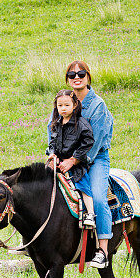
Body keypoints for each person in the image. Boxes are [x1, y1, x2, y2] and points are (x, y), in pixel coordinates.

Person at [48, 60, 113, 269]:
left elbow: (95, 142)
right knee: (40, 188)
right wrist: (52, 155)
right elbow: (52, 130)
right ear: (67, 79)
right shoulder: (63, 100)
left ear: (88, 77)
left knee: (99, 196)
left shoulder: (97, 106)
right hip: (64, 158)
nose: (77, 77)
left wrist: (73, 161)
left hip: (94, 159)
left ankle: (103, 249)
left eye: (81, 74)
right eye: (72, 75)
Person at [46, 89, 97, 228]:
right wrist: (52, 154)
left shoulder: (81, 124)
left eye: (67, 105)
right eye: (60, 105)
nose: (63, 108)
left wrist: (75, 158)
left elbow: (88, 142)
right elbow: (52, 142)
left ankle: (91, 214)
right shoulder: (56, 124)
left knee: (83, 185)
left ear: (74, 105)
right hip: (58, 162)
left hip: (75, 164)